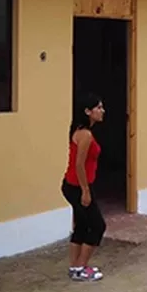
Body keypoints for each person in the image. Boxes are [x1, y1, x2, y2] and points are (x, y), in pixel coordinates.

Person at [62, 93, 107, 282]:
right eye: (98, 107)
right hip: (78, 186)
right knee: (97, 226)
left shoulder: (81, 131)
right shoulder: (85, 135)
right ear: (88, 111)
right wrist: (86, 191)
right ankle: (81, 267)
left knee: (81, 225)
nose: (102, 111)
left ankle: (75, 267)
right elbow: (79, 165)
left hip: (73, 185)